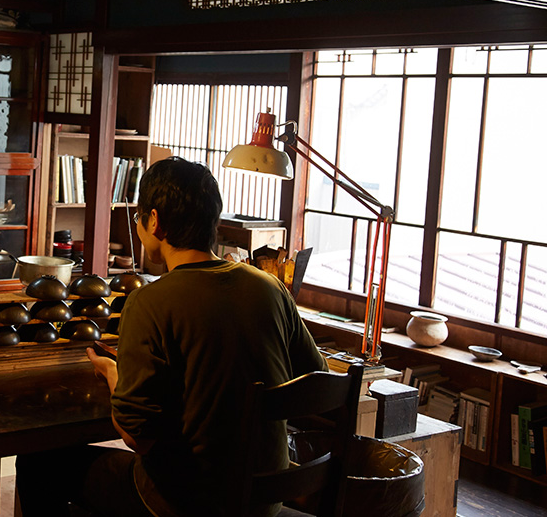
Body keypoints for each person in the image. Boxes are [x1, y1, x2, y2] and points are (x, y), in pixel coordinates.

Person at [16, 157, 327, 517]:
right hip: (264, 500)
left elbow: (138, 437)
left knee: (40, 462)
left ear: (155, 221)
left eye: (138, 218)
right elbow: (315, 382)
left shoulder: (150, 302)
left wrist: (115, 375)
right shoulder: (269, 288)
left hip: (184, 503)